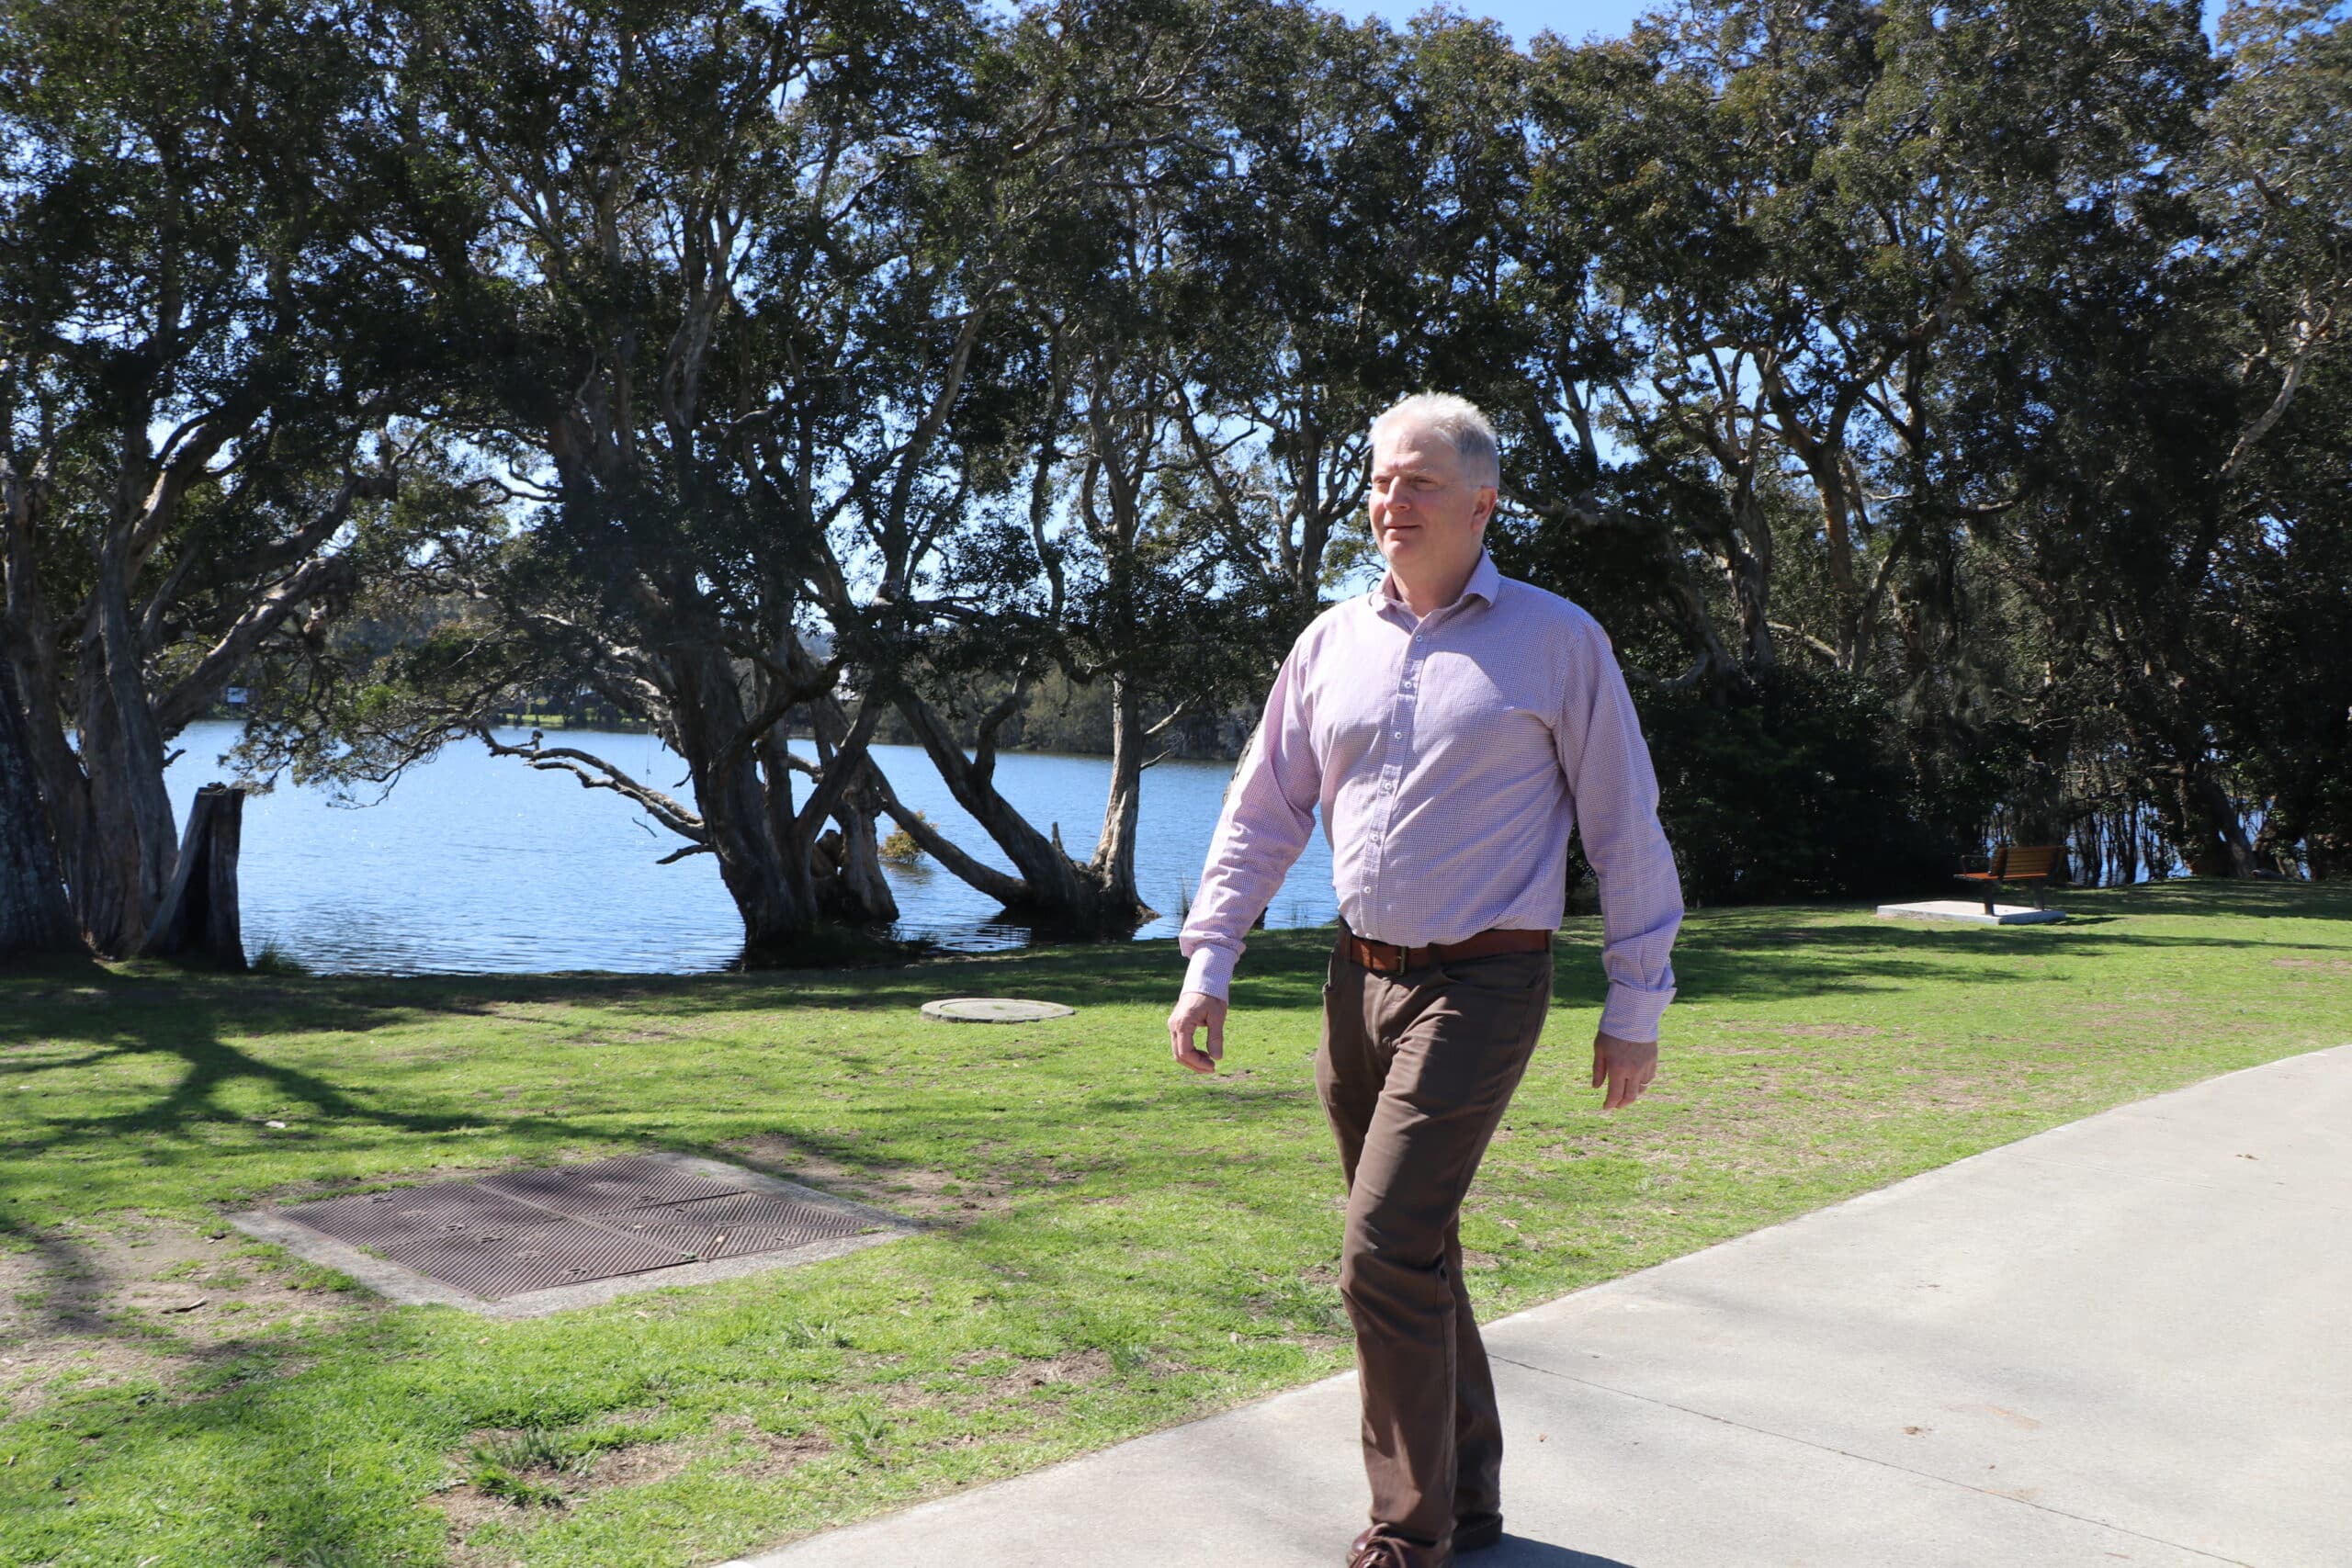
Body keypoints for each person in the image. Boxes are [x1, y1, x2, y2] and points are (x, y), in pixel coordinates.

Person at [1166, 392, 1684, 1568]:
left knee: (1380, 1250)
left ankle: (1409, 1531)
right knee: (1416, 1248)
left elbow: (1624, 823)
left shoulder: (1557, 641)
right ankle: (1473, 1498)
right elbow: (1260, 814)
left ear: (1481, 501)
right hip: (1357, 983)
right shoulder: (1328, 644)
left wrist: (1634, 1000)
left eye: (1417, 482)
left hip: (1485, 982)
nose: (1389, 502)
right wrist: (1211, 962)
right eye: (1378, 480)